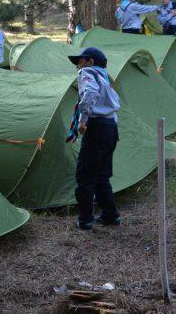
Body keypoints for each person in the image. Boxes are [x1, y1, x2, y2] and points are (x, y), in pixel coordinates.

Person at [66, 47, 122, 231]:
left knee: (85, 176)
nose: (77, 66)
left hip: (96, 127)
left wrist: (83, 121)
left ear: (90, 61)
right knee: (102, 176)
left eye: (79, 61)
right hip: (110, 128)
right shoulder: (104, 77)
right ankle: (110, 215)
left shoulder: (88, 72)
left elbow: (89, 93)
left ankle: (85, 220)